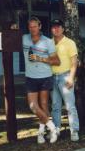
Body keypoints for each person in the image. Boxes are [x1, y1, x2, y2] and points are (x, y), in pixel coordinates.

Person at [23, 16, 60, 144]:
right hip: (30, 77)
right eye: (30, 26)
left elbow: (56, 61)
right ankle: (52, 128)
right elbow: (9, 38)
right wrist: (12, 28)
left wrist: (40, 58)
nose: (32, 29)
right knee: (33, 106)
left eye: (35, 26)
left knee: (44, 105)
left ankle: (40, 133)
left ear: (40, 26)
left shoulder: (48, 41)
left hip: (45, 76)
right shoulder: (24, 38)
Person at [50, 19, 80, 142]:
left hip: (65, 76)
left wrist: (71, 78)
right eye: (54, 27)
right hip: (52, 77)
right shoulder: (49, 43)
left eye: (58, 27)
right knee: (55, 106)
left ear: (63, 29)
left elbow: (74, 62)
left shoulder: (70, 43)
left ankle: (74, 131)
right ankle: (56, 130)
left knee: (70, 106)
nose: (56, 29)